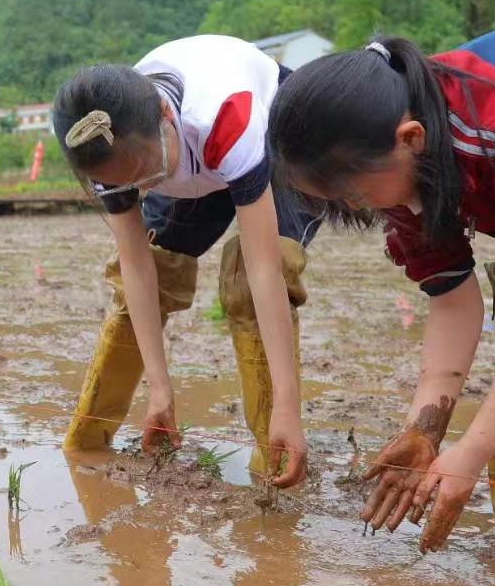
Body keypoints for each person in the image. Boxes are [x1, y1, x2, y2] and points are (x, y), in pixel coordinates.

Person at [268, 11, 495, 552]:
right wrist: (425, 430)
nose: (355, 209)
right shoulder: (401, 155)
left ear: (411, 138)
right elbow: (453, 299)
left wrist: (471, 455)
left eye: (352, 197)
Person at [51, 35, 319, 487]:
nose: (143, 190)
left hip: (274, 134)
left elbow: (263, 269)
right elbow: (138, 269)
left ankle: (276, 456)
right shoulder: (101, 155)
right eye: (127, 187)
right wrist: (160, 388)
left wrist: (290, 407)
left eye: (148, 176)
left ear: (166, 116)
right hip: (192, 162)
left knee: (247, 283)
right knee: (155, 268)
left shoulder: (225, 117)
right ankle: (88, 440)